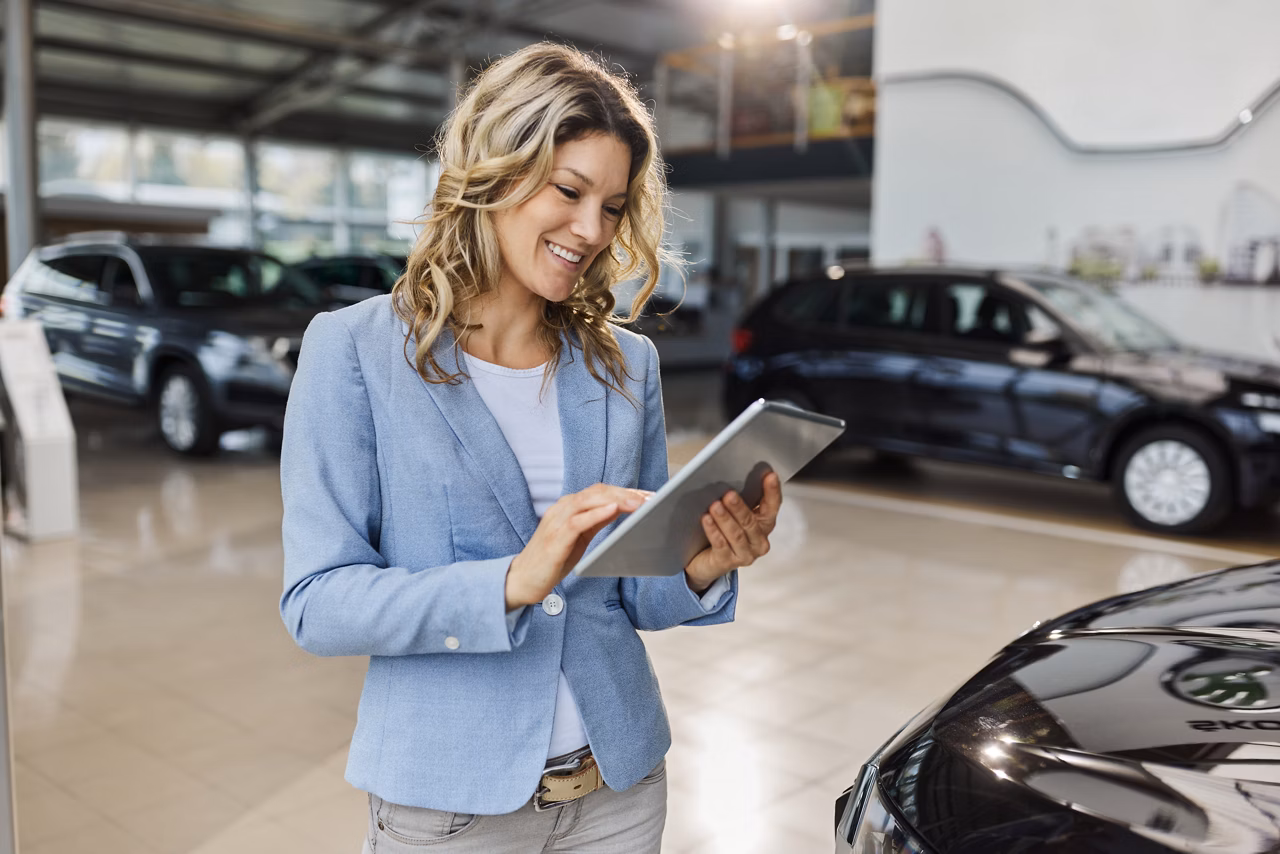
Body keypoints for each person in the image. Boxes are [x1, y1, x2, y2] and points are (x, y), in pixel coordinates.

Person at [279, 43, 783, 853]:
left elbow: (632, 589)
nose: (591, 231)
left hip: (618, 792)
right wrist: (511, 581)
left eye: (614, 206)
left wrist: (705, 559)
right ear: (496, 173)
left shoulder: (626, 366)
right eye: (569, 190)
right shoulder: (355, 351)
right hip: (449, 809)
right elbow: (318, 602)